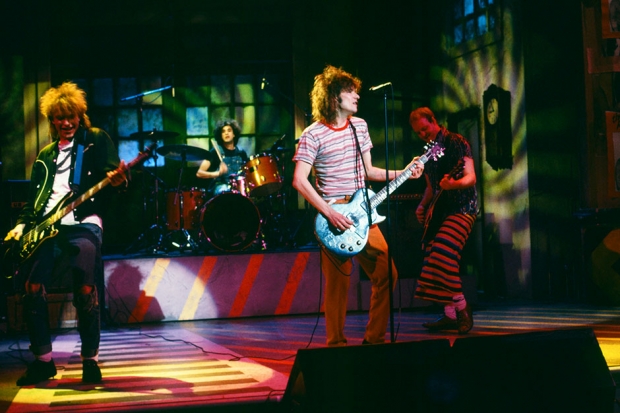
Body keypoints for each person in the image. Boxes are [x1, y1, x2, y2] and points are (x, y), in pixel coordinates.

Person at [4, 82, 127, 385]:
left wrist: (120, 179)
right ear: (52, 120)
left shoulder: (96, 141)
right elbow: (35, 202)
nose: (66, 122)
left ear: (79, 115)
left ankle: (90, 360)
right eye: (59, 117)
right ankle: (43, 361)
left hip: (84, 224)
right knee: (32, 287)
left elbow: (118, 178)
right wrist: (21, 225)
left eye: (70, 116)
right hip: (48, 228)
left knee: (85, 288)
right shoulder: (45, 156)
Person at [292, 65, 424, 346]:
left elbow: (370, 172)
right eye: (349, 91)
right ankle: (336, 345)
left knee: (388, 273)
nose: (356, 96)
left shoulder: (359, 126)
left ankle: (374, 340)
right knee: (337, 287)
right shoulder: (312, 134)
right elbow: (299, 181)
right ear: (333, 97)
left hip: (364, 210)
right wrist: (328, 213)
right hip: (333, 215)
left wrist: (405, 171)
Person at [409, 107, 478, 334]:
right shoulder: (428, 151)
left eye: (424, 129)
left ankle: (462, 307)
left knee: (443, 253)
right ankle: (449, 315)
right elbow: (432, 187)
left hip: (462, 208)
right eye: (418, 132)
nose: (422, 134)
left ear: (433, 121)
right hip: (440, 211)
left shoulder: (457, 142)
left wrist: (453, 185)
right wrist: (422, 205)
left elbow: (470, 177)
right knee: (432, 258)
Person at [196, 118, 249, 196]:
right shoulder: (215, 152)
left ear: (234, 134)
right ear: (220, 135)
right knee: (225, 191)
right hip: (221, 187)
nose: (226, 133)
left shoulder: (241, 152)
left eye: (229, 130)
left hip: (239, 187)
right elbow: (199, 173)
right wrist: (217, 173)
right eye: (223, 131)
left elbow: (247, 173)